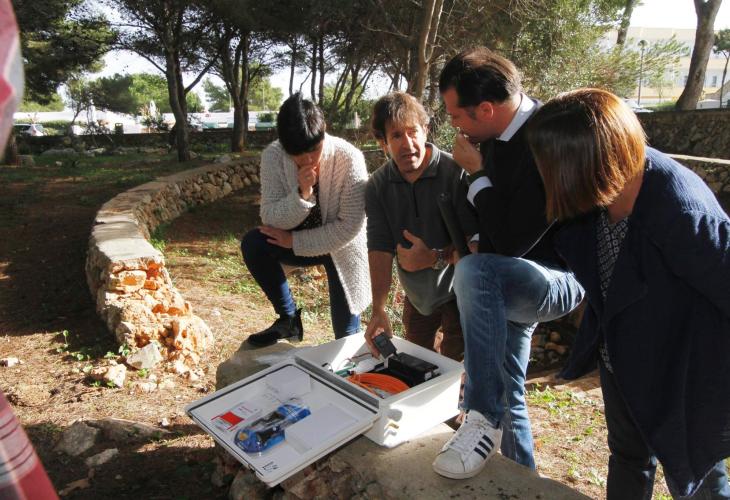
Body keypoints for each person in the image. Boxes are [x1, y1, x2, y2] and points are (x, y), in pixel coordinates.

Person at [527, 88, 730, 499]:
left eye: (550, 165)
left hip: (682, 374)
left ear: (585, 161)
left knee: (698, 475)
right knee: (628, 456)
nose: (545, 176)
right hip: (622, 359)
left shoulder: (680, 211)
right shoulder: (605, 192)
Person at [431, 47, 584, 479]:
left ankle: (480, 416)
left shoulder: (548, 139)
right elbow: (495, 226)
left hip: (558, 278)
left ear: (485, 109)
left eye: (456, 116)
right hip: (507, 277)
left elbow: (515, 239)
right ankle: (525, 482)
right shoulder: (493, 139)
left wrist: (477, 175)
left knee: (473, 271)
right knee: (508, 384)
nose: (454, 126)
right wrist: (478, 234)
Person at [241, 93, 371, 347]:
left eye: (314, 149)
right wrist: (302, 194)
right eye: (297, 154)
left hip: (341, 247)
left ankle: (348, 349)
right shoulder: (273, 156)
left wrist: (294, 241)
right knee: (254, 243)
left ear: (324, 131)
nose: (308, 159)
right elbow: (269, 215)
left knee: (346, 337)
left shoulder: (350, 158)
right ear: (283, 145)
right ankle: (288, 319)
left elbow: (350, 227)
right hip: (293, 240)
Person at [363, 91, 477, 361]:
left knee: (456, 365)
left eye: (412, 132)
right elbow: (379, 247)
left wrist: (433, 258)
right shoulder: (377, 186)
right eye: (396, 136)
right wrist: (378, 309)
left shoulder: (455, 172)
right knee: (418, 361)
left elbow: (475, 245)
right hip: (417, 296)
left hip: (460, 292)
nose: (407, 144)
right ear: (383, 143)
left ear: (425, 130)